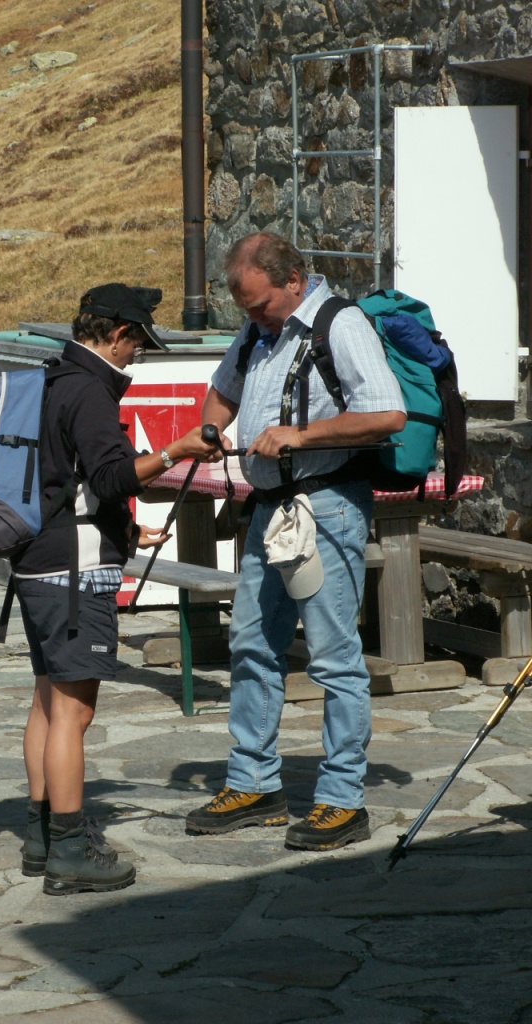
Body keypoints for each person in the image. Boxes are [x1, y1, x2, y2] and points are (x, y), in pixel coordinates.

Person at [185, 233, 406, 851]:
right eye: (245, 309)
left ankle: (343, 798)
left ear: (293, 280)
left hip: (327, 504)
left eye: (259, 305)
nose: (253, 317)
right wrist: (212, 427)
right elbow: (224, 390)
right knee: (251, 644)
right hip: (269, 509)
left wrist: (299, 435)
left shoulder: (341, 324)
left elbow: (387, 414)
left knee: (333, 656)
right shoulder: (259, 328)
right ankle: (253, 784)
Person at [13, 282, 218, 894]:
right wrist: (177, 450)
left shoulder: (52, 379)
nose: (137, 356)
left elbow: (64, 481)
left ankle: (40, 836)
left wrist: (125, 531)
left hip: (39, 561)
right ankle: (69, 851)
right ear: (119, 333)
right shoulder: (89, 389)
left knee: (47, 702)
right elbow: (108, 477)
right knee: (73, 713)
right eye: (138, 345)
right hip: (74, 574)